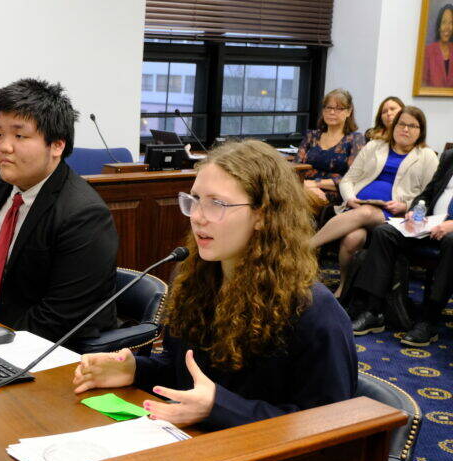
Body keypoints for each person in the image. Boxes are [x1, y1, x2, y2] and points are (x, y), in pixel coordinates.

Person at [73, 140, 356, 430]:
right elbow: (185, 374)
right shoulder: (195, 279)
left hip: (261, 456)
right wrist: (135, 370)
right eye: (195, 199)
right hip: (195, 441)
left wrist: (219, 407)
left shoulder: (313, 310)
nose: (197, 216)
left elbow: (330, 428)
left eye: (216, 204)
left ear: (262, 215)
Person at [0, 78, 118, 344]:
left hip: (40, 349)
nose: (4, 146)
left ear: (57, 145)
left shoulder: (84, 216)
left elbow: (57, 319)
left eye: (19, 136)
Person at [310, 106, 438, 297]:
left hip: (394, 215)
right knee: (353, 238)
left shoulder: (426, 156)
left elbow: (430, 195)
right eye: (401, 124)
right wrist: (350, 198)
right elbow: (348, 180)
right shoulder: (375, 146)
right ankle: (344, 287)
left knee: (367, 212)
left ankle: (306, 247)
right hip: (357, 207)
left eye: (413, 126)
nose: (405, 129)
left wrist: (405, 205)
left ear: (421, 131)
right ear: (394, 126)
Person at [351, 148, 453, 346]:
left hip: (450, 233)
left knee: (452, 241)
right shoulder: (450, 156)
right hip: (430, 224)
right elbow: (428, 193)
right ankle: (373, 311)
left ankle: (429, 320)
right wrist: (415, 211)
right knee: (384, 232)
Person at [296, 89, 366, 206]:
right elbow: (295, 168)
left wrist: (315, 184)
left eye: (339, 109)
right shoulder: (311, 136)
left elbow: (353, 178)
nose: (332, 112)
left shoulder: (356, 139)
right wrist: (303, 186)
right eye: (328, 108)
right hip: (303, 187)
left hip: (333, 193)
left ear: (349, 112)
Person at [423, 4, 453, 87]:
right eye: (444, 22)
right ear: (439, 26)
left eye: (451, 23)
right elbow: (423, 84)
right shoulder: (428, 52)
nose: (447, 27)